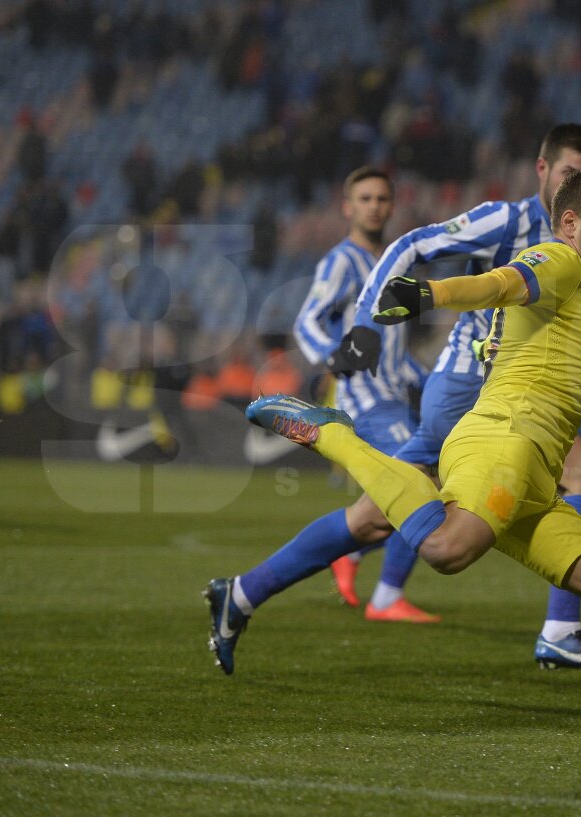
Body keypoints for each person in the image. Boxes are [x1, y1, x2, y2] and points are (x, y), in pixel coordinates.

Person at [243, 167, 581, 751]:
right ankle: (332, 435)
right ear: (569, 223)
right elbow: (501, 283)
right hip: (500, 444)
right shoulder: (557, 260)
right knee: (447, 548)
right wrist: (429, 294)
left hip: (536, 476)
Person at [204, 124, 581, 677]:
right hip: (473, 388)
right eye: (570, 173)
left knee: (372, 519)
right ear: (543, 170)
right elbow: (411, 245)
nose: (578, 184)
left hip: (493, 391)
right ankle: (560, 632)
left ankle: (241, 593)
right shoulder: (508, 221)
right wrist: (365, 324)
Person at [207, 169, 435, 675]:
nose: (375, 206)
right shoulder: (342, 261)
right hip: (366, 399)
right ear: (346, 207)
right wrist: (334, 359)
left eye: (383, 198)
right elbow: (307, 320)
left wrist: (427, 379)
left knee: (385, 509)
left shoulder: (393, 264)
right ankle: (386, 594)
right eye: (365, 198)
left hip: (395, 396)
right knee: (418, 488)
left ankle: (254, 589)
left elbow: (392, 350)